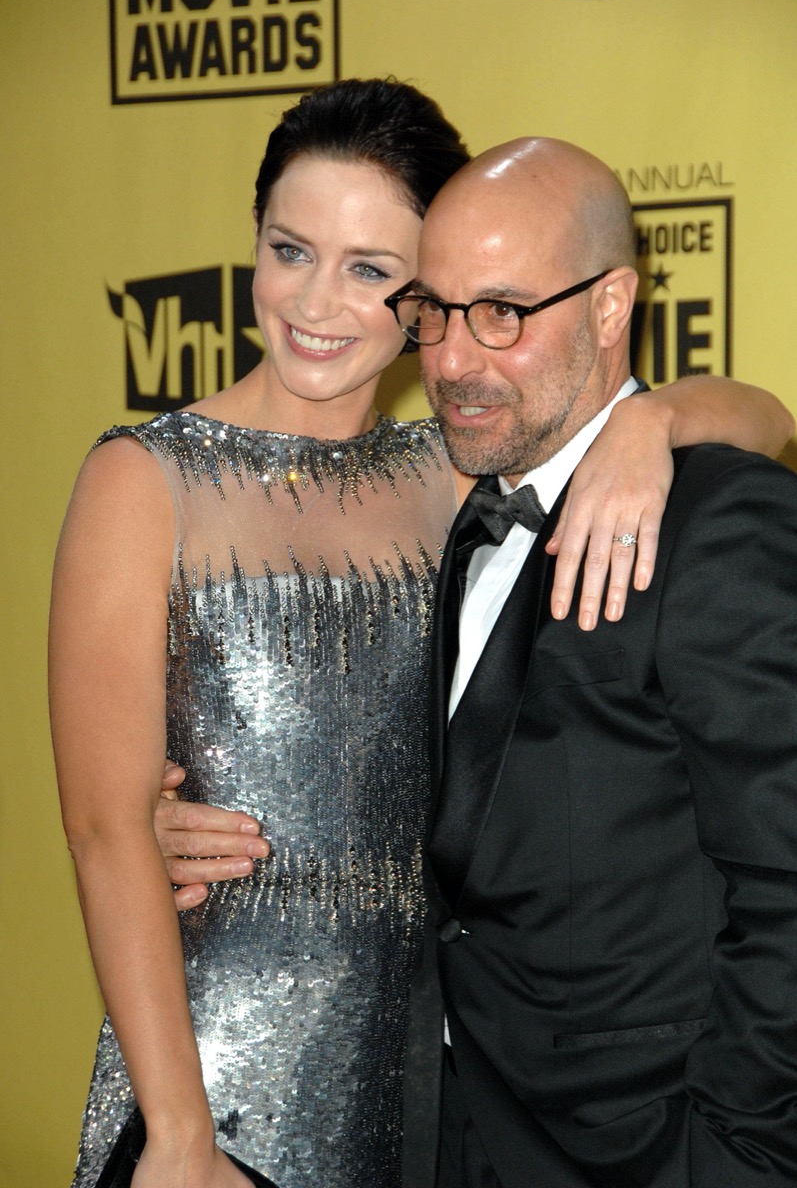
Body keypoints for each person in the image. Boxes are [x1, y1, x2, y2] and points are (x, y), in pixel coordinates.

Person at [50, 76, 791, 1188]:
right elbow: (104, 832)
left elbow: (764, 420)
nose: (316, 301)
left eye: (371, 272)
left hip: (421, 1102)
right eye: (289, 250)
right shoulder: (144, 477)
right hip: (218, 1087)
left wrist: (652, 419)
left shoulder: (452, 471)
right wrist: (180, 1134)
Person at [391, 136, 797, 1187]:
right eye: (432, 311)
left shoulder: (720, 521)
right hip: (462, 1137)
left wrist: (737, 1158)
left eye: (501, 312)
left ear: (610, 308)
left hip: (654, 1152)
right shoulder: (458, 507)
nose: (450, 360)